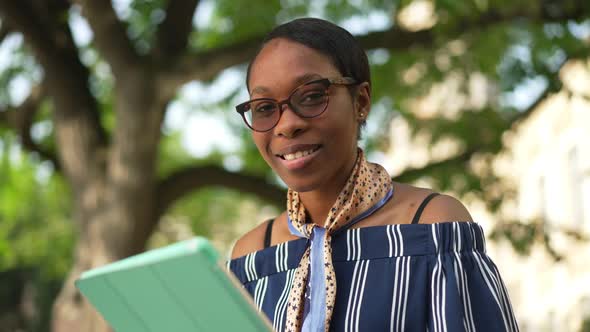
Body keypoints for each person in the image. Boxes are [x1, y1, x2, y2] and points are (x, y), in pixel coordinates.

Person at [228, 17, 519, 332]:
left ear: (361, 101)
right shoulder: (253, 255)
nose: (286, 125)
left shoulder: (431, 228)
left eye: (311, 96)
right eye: (265, 107)